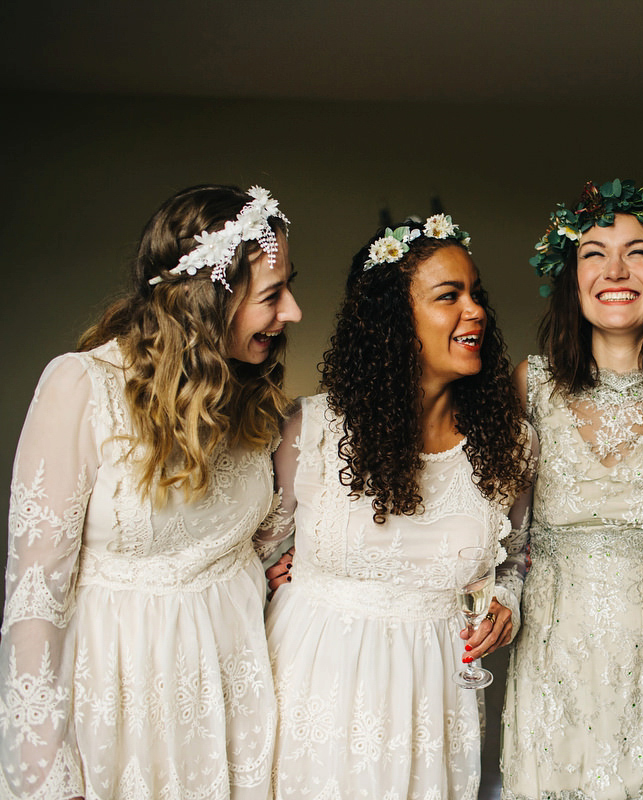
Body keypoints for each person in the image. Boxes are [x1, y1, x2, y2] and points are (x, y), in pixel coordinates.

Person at [1, 185, 300, 799]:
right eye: (272, 294)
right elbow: (36, 596)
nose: (292, 311)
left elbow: (259, 542)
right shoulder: (81, 387)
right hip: (119, 704)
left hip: (232, 697)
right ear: (207, 301)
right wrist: (46, 775)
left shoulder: (250, 404)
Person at [263, 215, 531, 799]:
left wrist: (505, 600)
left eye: (475, 294)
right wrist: (266, 573)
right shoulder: (310, 430)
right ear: (391, 322)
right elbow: (248, 549)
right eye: (448, 296)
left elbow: (515, 555)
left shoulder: (507, 445)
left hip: (434, 705)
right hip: (313, 692)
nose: (476, 310)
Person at [501, 178, 643, 799]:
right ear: (571, 278)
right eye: (593, 253)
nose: (616, 270)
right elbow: (487, 522)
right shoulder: (532, 387)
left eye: (639, 251)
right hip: (555, 670)